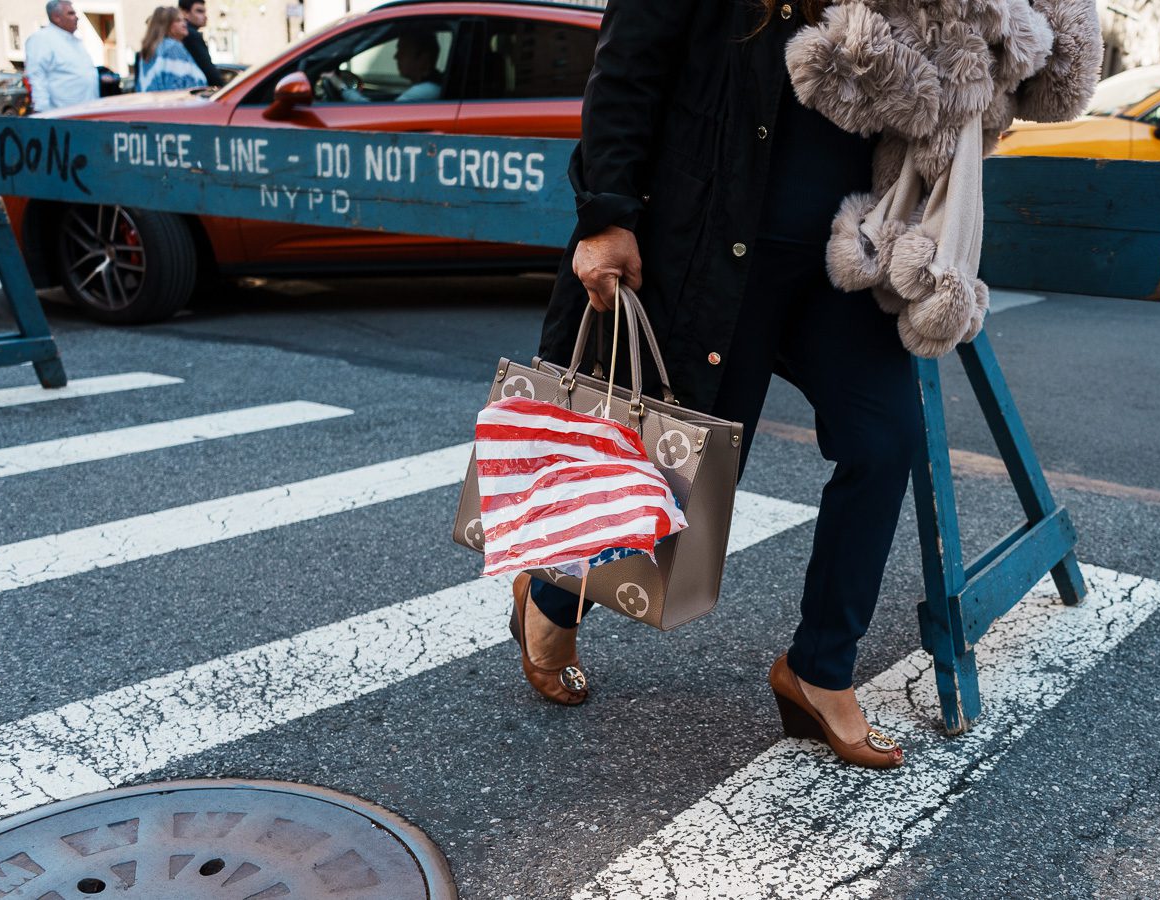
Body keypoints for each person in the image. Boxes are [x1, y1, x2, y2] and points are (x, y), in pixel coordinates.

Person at [509, 0, 1099, 769]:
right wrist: (606, 217)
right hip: (716, 251)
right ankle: (552, 595)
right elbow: (626, 72)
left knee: (887, 440)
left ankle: (820, 669)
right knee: (670, 481)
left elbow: (1019, 73)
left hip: (843, 259)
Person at [23, 0, 98, 113]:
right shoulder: (42, 39)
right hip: (62, 115)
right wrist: (43, 113)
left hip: (87, 111)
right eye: (71, 13)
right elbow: (37, 77)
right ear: (56, 17)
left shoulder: (75, 41)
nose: (77, 18)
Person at [329, 29, 442, 102]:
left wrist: (341, 87)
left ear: (423, 59)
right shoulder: (430, 88)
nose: (396, 56)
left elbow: (373, 115)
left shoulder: (425, 91)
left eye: (402, 51)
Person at [136, 6, 208, 93]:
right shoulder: (172, 48)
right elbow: (178, 87)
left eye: (184, 20)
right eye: (178, 20)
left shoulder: (152, 49)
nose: (184, 24)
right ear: (168, 25)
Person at [177, 0, 223, 87]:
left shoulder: (186, 34)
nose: (205, 16)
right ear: (185, 13)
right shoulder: (191, 35)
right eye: (199, 11)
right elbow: (209, 72)